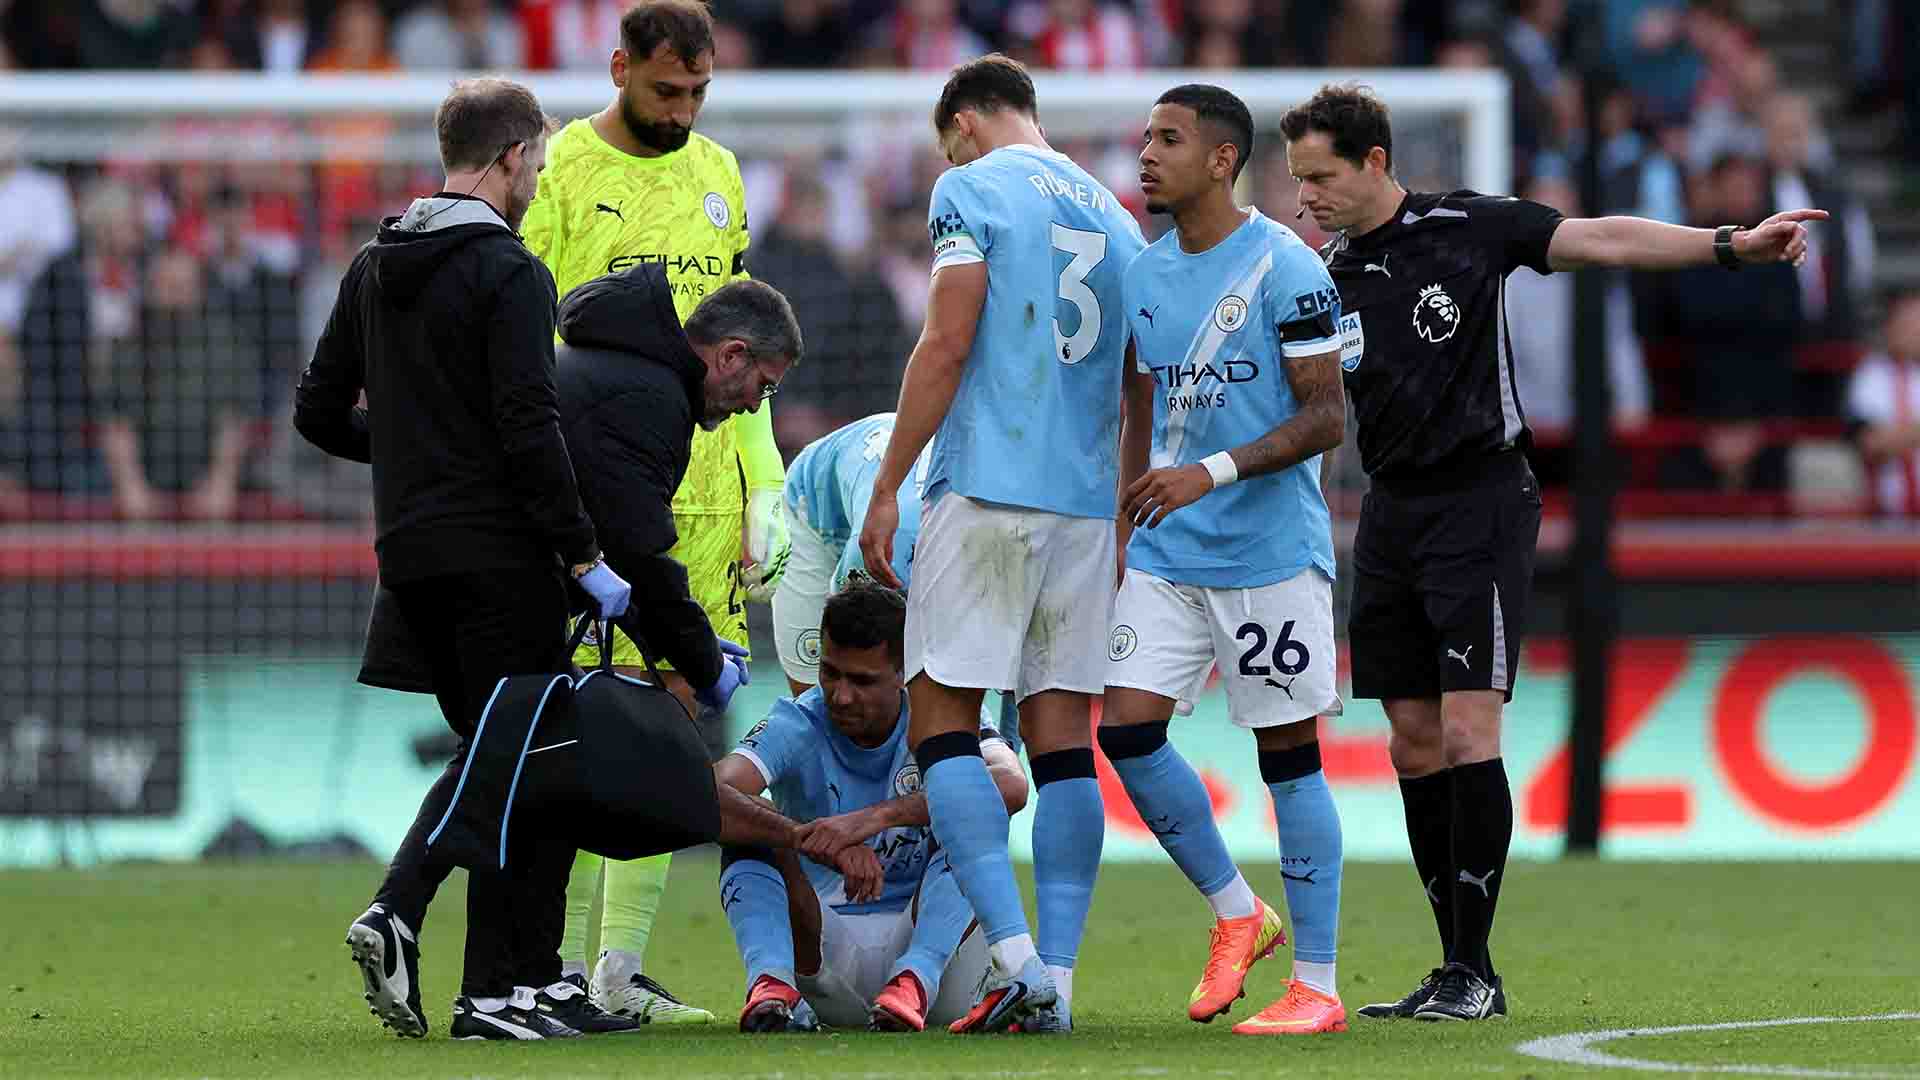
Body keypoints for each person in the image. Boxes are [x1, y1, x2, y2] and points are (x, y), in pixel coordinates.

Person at [1281, 82, 1823, 1022]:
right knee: (1411, 742)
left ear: (1374, 161)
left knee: (1464, 731)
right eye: (1297, 180)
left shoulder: (1469, 227)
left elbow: (1603, 237)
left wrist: (1731, 245)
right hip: (1390, 515)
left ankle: (1473, 968)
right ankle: (1453, 967)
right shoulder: (1323, 274)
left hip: (1481, 498)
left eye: (1321, 176)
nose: (1308, 196)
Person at [293, 77, 635, 1040]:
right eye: (537, 160)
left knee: (508, 759)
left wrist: (413, 454)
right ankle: (448, 954)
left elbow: (317, 412)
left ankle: (524, 982)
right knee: (510, 758)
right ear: (517, 156)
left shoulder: (374, 263)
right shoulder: (512, 272)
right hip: (500, 555)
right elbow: (530, 428)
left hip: (409, 553)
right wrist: (581, 553)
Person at [858, 54, 1147, 1034]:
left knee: (942, 719)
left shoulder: (969, 186)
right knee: (1064, 748)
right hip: (1080, 502)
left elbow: (946, 339)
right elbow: (1140, 376)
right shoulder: (1116, 213)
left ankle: (1016, 960)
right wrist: (1120, 503)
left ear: (966, 124)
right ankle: (1055, 984)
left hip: (985, 486)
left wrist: (891, 480)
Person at [520, 0, 789, 1025]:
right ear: (620, 66)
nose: (682, 110)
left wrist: (764, 480)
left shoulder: (719, 177)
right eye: (665, 90)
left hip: (707, 497)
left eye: (698, 93)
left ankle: (615, 971)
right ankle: (561, 968)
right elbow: (527, 335)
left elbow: (742, 345)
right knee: (595, 739)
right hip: (603, 494)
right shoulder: (562, 171)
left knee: (675, 734)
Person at [1104, 84, 1348, 1038]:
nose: (1146, 154)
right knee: (1125, 732)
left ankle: (1317, 985)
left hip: (1267, 553)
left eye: (1168, 139)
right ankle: (1239, 910)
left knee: (1288, 759)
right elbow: (1139, 395)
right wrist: (1130, 510)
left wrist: (1203, 471)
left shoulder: (1289, 267)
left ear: (1221, 159)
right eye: (1145, 138)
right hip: (1169, 548)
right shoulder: (1146, 274)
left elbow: (1327, 416)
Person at [716, 578, 1028, 1033]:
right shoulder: (799, 720)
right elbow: (712, 795)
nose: (840, 696)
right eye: (830, 673)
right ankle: (771, 984)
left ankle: (913, 979)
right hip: (822, 958)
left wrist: (870, 820)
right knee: (748, 836)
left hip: (936, 969)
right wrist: (812, 840)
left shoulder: (943, 718)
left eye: (862, 680)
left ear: (905, 672)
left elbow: (1011, 786)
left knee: (975, 821)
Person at [773, 413, 929, 696]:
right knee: (824, 694)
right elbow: (845, 622)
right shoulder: (894, 549)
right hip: (813, 509)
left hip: (889, 510)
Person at [1847, 290, 1920, 516]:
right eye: (1906, 323)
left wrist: (1899, 435)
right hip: (1885, 517)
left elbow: (1888, 439)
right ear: (1889, 326)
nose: (1912, 332)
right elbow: (1872, 443)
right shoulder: (1868, 375)